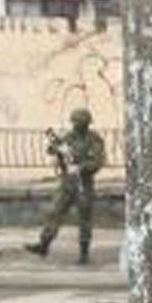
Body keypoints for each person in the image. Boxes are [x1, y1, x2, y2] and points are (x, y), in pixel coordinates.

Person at [26, 107, 107, 263]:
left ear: (86, 123)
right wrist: (55, 149)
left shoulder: (94, 139)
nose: (75, 125)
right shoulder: (69, 137)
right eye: (74, 122)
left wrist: (82, 167)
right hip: (67, 183)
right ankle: (44, 244)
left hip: (84, 183)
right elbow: (54, 150)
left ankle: (84, 253)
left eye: (78, 122)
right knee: (54, 212)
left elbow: (98, 161)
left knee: (84, 218)